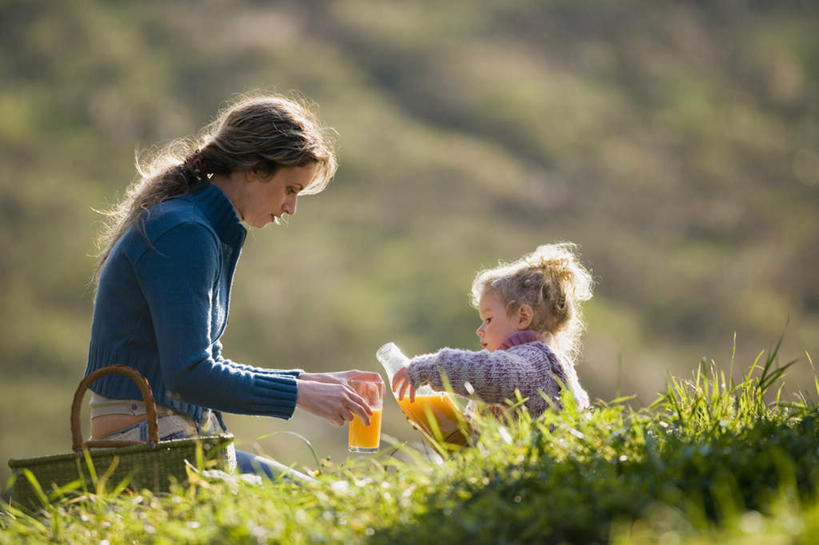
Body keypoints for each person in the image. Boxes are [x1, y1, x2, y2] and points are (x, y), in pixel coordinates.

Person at [84, 93, 381, 480]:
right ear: (254, 169)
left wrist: (310, 382)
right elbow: (190, 376)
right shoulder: (185, 232)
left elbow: (204, 366)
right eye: (290, 190)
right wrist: (302, 395)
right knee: (320, 503)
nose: (291, 208)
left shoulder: (198, 226)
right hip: (145, 442)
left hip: (167, 435)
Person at [392, 243, 592, 419]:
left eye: (489, 319)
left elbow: (486, 371)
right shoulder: (527, 365)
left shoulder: (535, 362)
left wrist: (428, 368)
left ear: (523, 317)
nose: (480, 330)